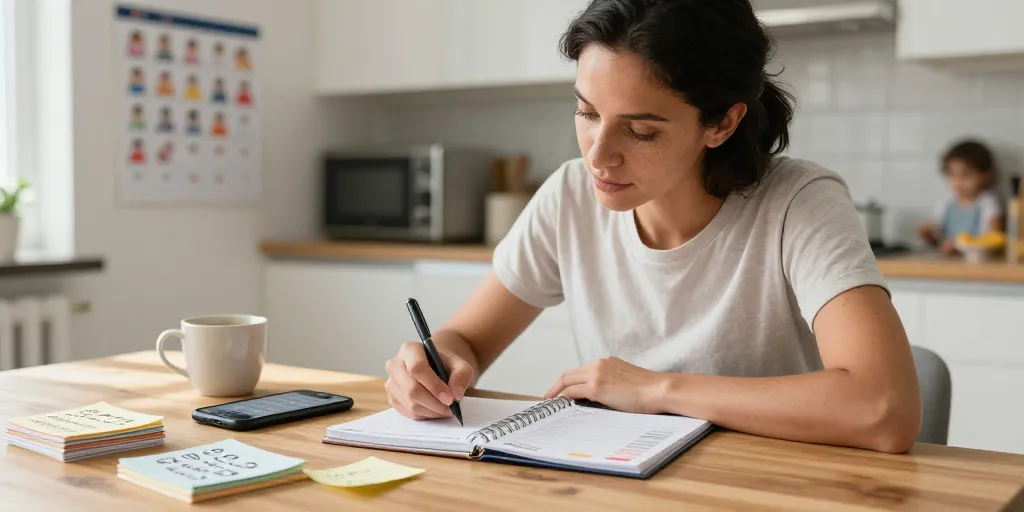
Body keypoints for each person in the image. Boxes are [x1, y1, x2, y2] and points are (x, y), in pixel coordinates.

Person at [383, 0, 922, 454]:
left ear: (721, 123)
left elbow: (885, 407)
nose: (599, 157)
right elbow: (467, 340)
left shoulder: (797, 204)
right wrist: (434, 365)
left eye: (639, 131)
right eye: (587, 112)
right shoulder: (570, 196)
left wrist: (657, 389)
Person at [918, 140, 1003, 256]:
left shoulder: (988, 204)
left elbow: (994, 239)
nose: (958, 182)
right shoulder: (945, 205)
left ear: (986, 175)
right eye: (952, 175)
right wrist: (928, 234)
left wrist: (961, 246)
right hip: (949, 264)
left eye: (966, 175)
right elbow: (938, 240)